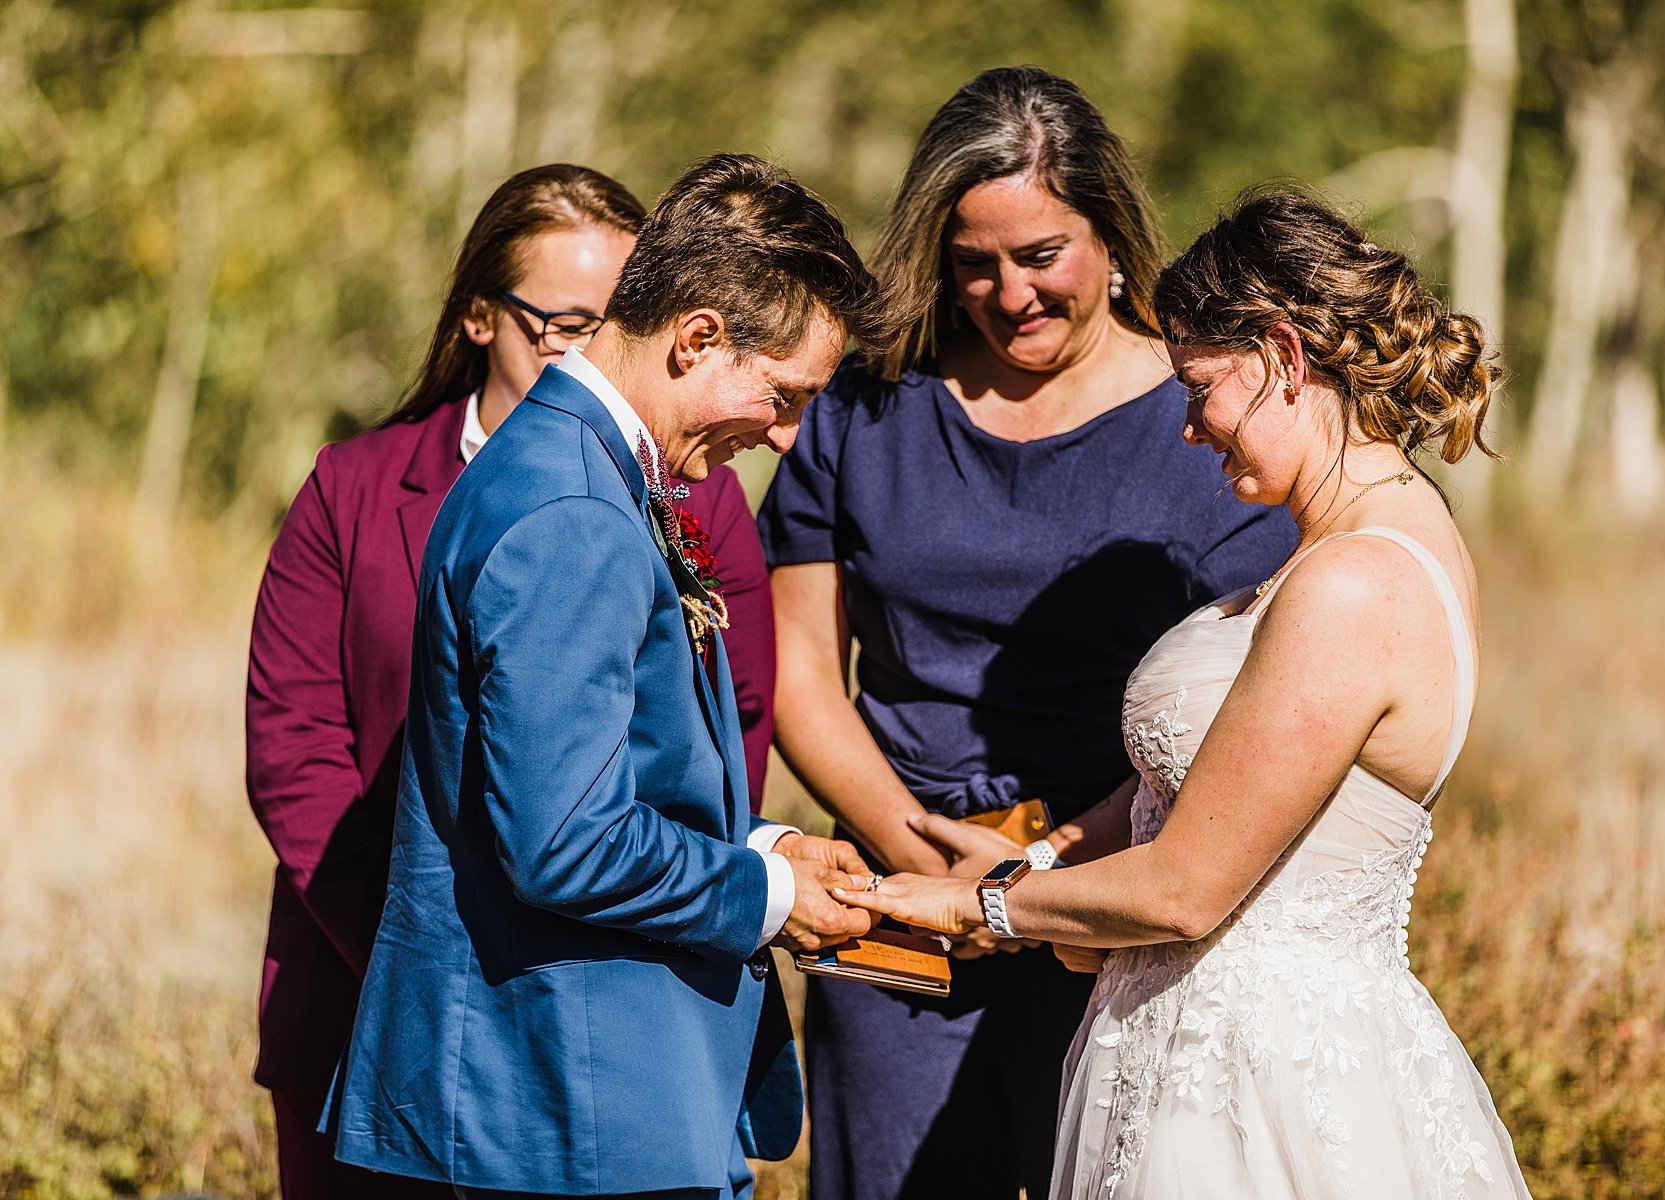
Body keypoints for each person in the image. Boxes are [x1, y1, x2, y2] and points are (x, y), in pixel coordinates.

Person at [837, 191, 1534, 1199]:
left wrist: (975, 905)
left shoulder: (1353, 585)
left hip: (1255, 1089)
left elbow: (1184, 889)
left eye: (1201, 386)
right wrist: (1043, 854)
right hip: (1197, 1051)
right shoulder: (1355, 552)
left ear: (1284, 356)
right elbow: (1218, 779)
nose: (1193, 429)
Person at [757, 67, 1297, 1200]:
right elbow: (800, 672)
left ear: (1110, 234)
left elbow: (1254, 709)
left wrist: (1038, 872)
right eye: (974, 264)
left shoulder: (1205, 420)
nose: (1010, 295)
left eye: (1042, 255)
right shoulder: (861, 405)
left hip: (1122, 918)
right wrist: (917, 853)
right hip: (893, 919)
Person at [326, 153, 894, 1200]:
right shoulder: (573, 512)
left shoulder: (583, 473)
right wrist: (766, 894)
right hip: (570, 1104)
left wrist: (765, 844)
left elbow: (606, 776)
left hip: (598, 1097)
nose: (785, 434)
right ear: (698, 338)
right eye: (784, 395)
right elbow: (565, 844)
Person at [244, 164, 779, 1200]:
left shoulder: (697, 502)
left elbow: (730, 734)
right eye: (563, 323)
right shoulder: (354, 490)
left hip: (614, 1000)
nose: (594, 351)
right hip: (369, 982)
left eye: (617, 317)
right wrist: (431, 962)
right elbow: (294, 749)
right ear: (482, 317)